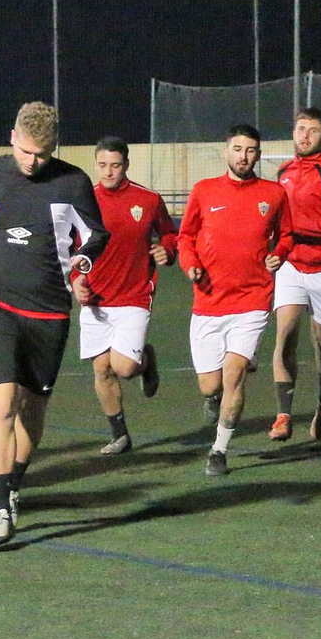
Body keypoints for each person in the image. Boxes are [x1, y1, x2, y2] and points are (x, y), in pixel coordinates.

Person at [0, 101, 109, 548]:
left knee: (32, 407)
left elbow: (97, 234)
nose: (32, 162)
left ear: (54, 147)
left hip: (49, 308)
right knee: (0, 405)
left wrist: (82, 260)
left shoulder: (73, 182)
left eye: (41, 154)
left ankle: (14, 483)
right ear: (11, 137)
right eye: (25, 152)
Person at [180, 124, 294, 477]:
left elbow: (286, 234)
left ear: (258, 154)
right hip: (209, 302)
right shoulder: (204, 191)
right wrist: (191, 264)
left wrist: (280, 253)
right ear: (225, 151)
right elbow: (185, 237)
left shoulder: (273, 194)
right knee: (210, 385)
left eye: (250, 150)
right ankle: (212, 399)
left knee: (235, 375)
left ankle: (219, 450)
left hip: (253, 300)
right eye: (237, 149)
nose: (243, 156)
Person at [82, 137, 178, 455]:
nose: (109, 172)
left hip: (135, 296)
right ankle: (120, 436)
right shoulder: (82, 202)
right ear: (96, 164)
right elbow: (69, 248)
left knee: (123, 367)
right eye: (103, 165)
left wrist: (168, 249)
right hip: (95, 298)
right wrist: (76, 279)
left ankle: (145, 361)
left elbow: (169, 232)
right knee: (101, 369)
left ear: (126, 164)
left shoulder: (147, 200)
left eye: (116, 165)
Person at [269, 107, 321, 442]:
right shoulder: (283, 171)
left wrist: (292, 229)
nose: (305, 135)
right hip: (291, 264)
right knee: (285, 332)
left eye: (313, 130)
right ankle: (283, 414)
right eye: (300, 128)